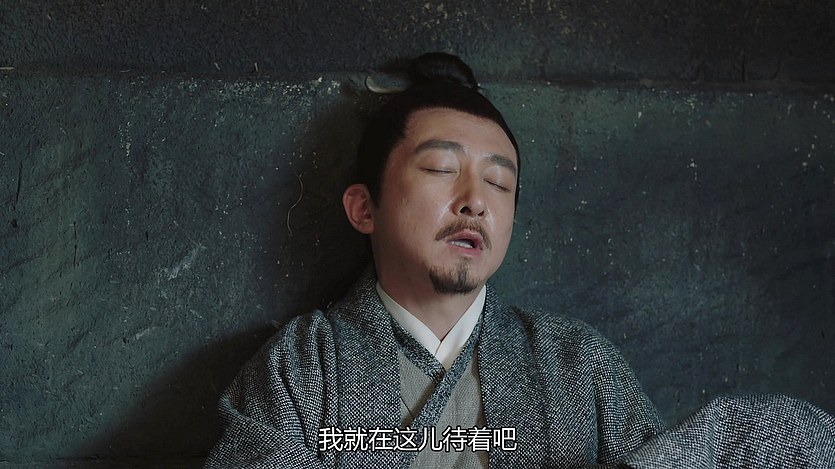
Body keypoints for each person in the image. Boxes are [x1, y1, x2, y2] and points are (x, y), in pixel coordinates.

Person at [204, 52, 664, 468]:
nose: (475, 202)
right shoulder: (301, 366)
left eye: (499, 183)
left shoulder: (578, 363)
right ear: (364, 208)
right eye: (441, 169)